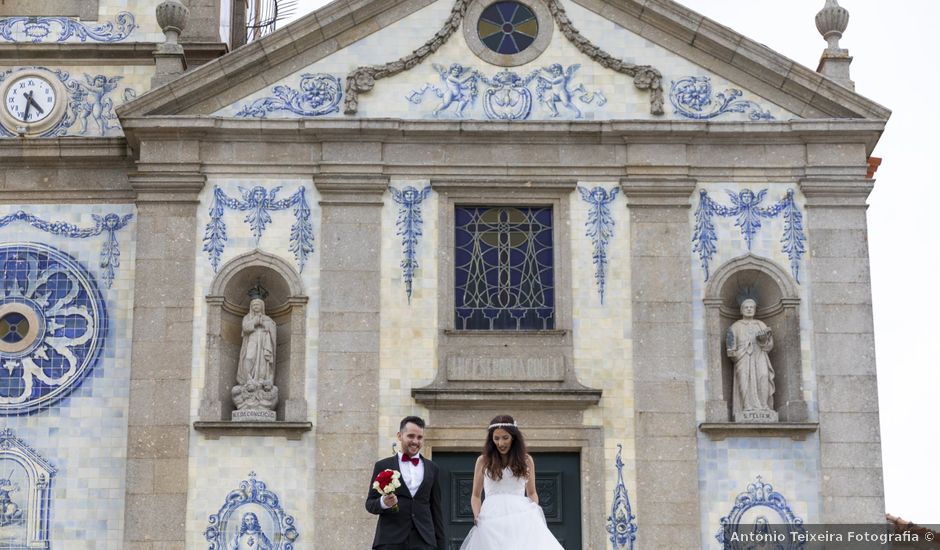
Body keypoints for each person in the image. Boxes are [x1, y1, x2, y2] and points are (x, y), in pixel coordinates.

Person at [459, 415, 563, 550]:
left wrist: (533, 511)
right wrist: (477, 516)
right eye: (496, 438)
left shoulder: (526, 460)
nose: (500, 443)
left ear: (513, 437)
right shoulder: (483, 461)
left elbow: (532, 493)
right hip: (491, 519)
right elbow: (475, 495)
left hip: (520, 518)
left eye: (505, 438)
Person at [366, 416, 446, 550]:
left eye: (419, 437)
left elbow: (436, 510)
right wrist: (383, 503)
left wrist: (441, 545)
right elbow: (370, 504)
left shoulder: (433, 468)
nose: (415, 441)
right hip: (391, 540)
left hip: (424, 540)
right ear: (399, 436)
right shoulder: (382, 465)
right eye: (411, 436)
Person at [726, 298, 775, 418]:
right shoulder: (735, 326)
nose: (749, 309)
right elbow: (731, 345)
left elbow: (769, 344)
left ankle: (764, 406)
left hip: (759, 354)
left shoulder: (761, 324)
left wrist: (763, 340)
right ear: (741, 310)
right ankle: (747, 406)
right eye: (746, 307)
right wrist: (733, 352)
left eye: (751, 307)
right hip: (743, 356)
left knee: (763, 376)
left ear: (755, 310)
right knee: (744, 379)